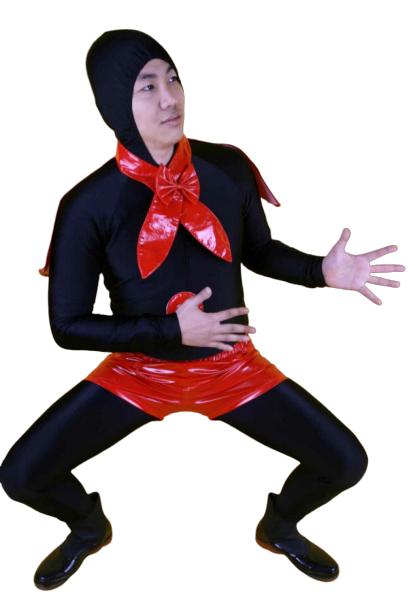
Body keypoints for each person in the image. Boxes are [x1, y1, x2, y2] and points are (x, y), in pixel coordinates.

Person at [0, 29, 404, 591]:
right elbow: (66, 327)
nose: (170, 98)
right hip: (138, 371)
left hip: (233, 366)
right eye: (147, 86)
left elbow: (259, 251)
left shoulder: (226, 167)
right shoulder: (86, 203)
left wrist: (322, 272)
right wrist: (169, 330)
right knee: (20, 477)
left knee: (348, 464)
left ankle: (279, 526)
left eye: (173, 78)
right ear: (115, 102)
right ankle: (89, 527)